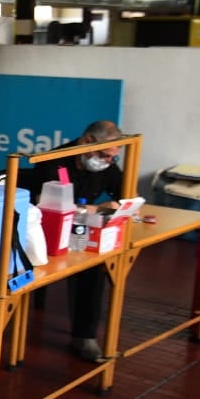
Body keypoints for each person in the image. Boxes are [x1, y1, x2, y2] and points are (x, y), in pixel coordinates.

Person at [27, 119, 125, 362]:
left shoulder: (106, 167)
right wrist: (98, 208)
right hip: (43, 232)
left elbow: (124, 194)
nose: (107, 162)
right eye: (104, 155)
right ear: (87, 142)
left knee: (94, 266)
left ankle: (84, 336)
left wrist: (119, 207)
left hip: (78, 235)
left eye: (113, 158)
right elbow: (49, 205)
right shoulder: (53, 161)